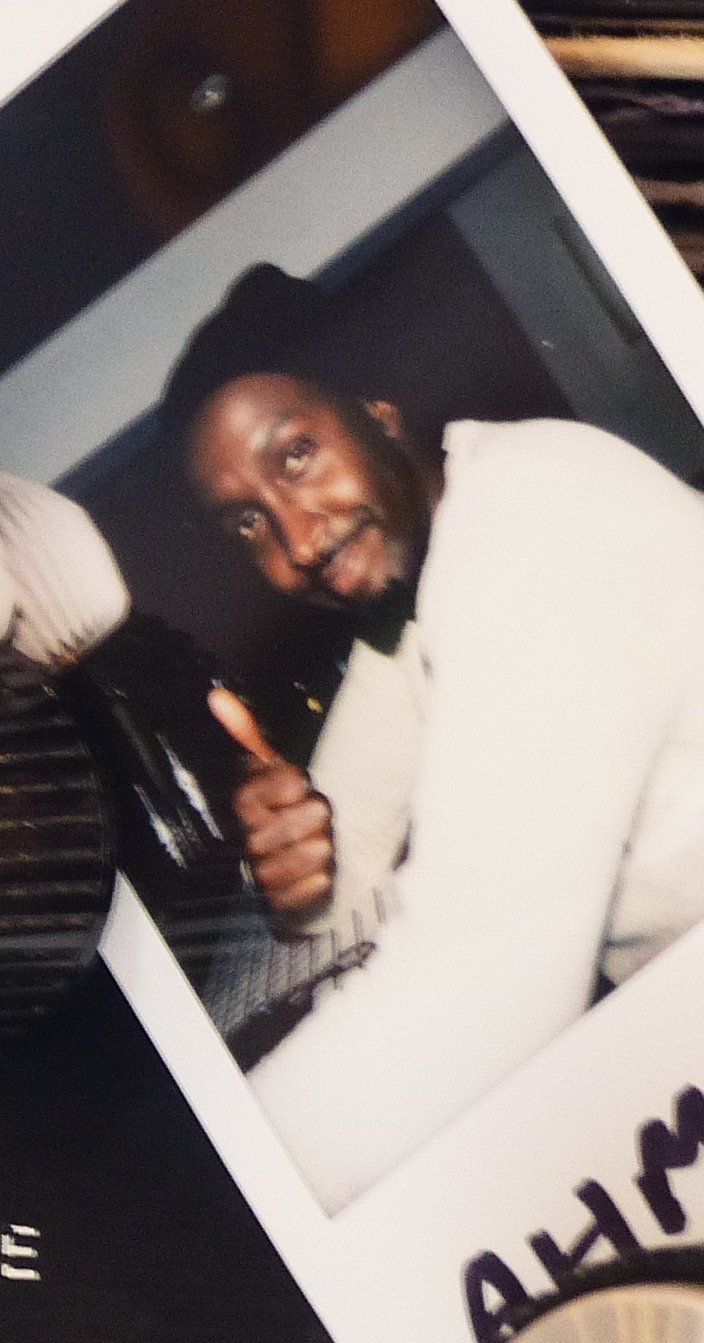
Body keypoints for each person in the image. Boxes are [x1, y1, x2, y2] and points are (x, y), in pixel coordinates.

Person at [166, 263, 704, 1210]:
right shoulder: (410, 610)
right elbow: (337, 883)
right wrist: (288, 867)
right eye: (248, 521)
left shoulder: (532, 520)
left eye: (296, 457)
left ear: (377, 412)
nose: (296, 540)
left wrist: (208, 1205)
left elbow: (483, 988)